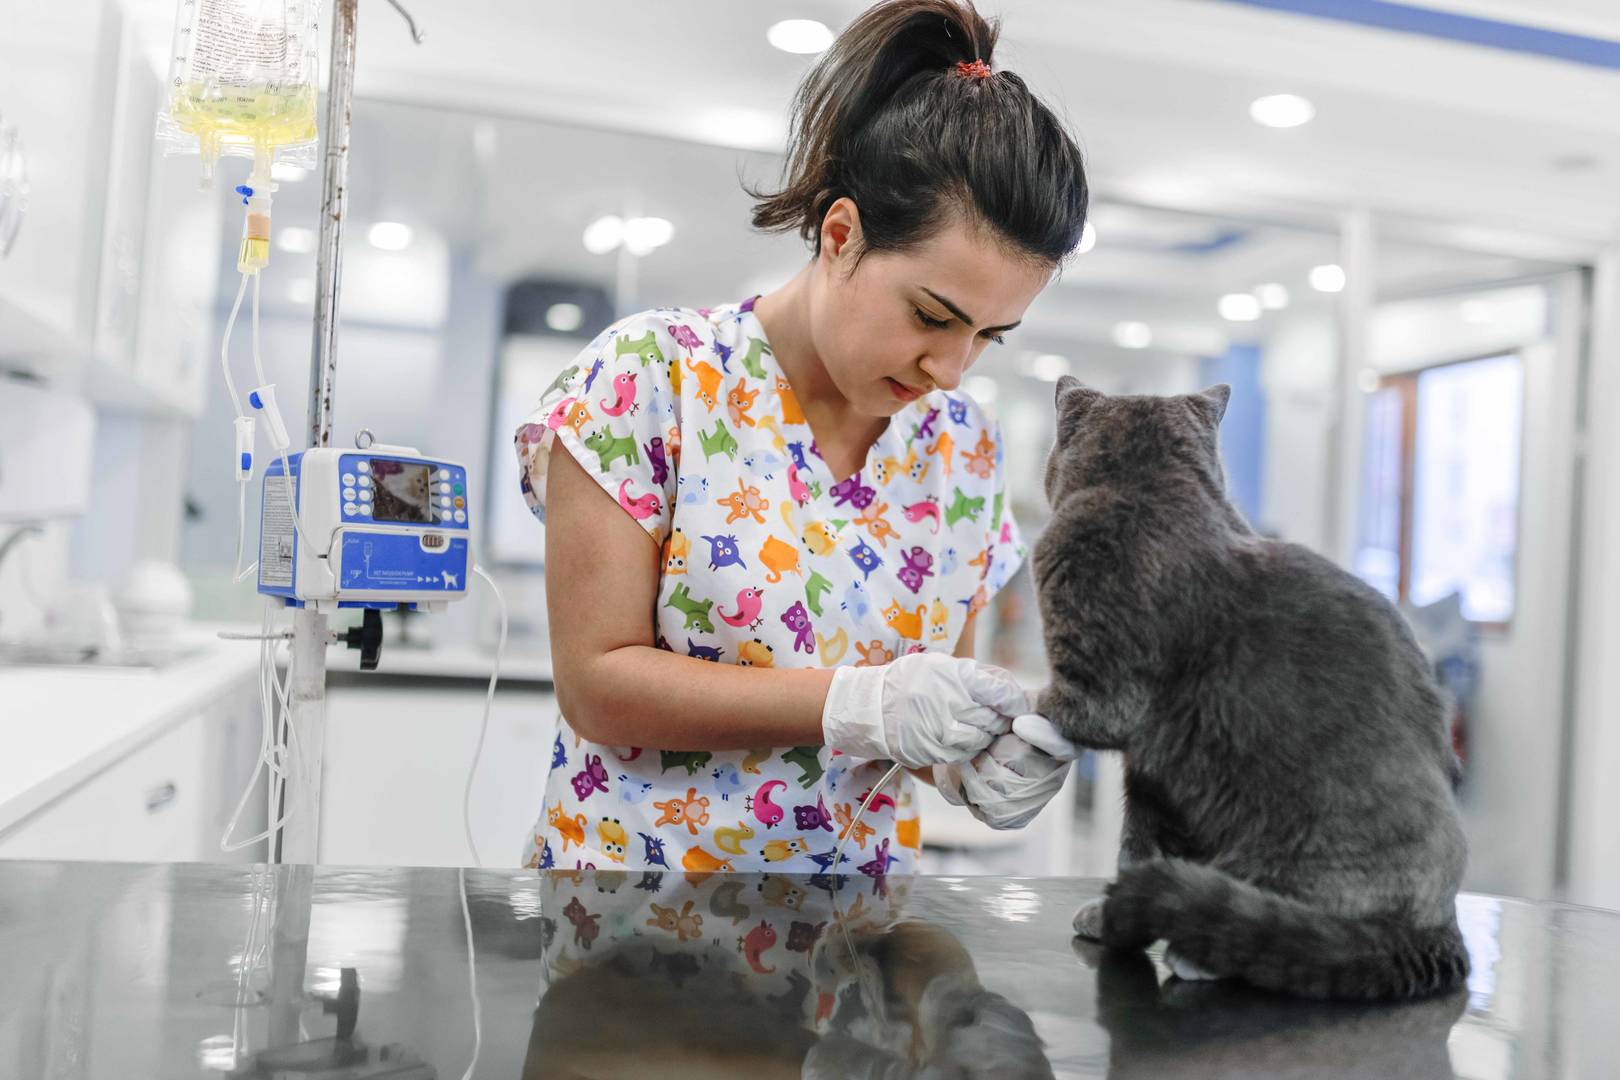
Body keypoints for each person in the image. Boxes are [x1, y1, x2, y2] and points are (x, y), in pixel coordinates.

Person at [512, 0, 1087, 875]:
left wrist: (970, 759)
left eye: (988, 336)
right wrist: (854, 702)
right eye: (934, 316)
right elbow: (597, 682)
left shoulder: (961, 446)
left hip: (852, 951)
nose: (951, 369)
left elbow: (920, 714)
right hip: (632, 928)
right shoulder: (653, 377)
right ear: (841, 234)